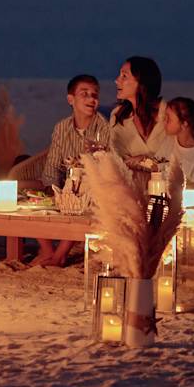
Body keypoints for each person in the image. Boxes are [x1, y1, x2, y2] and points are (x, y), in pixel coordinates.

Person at [31, 74, 108, 267]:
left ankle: (59, 257)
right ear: (71, 99)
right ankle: (48, 251)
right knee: (27, 196)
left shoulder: (105, 128)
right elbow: (52, 166)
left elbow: (106, 168)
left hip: (92, 190)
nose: (91, 99)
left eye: (95, 94)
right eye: (84, 94)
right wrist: (51, 189)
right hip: (65, 188)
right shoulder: (62, 128)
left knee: (79, 200)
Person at [108, 56, 171, 177]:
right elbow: (118, 160)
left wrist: (145, 161)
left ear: (142, 82)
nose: (116, 80)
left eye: (124, 76)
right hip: (132, 182)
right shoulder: (118, 116)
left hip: (168, 183)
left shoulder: (169, 114)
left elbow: (178, 159)